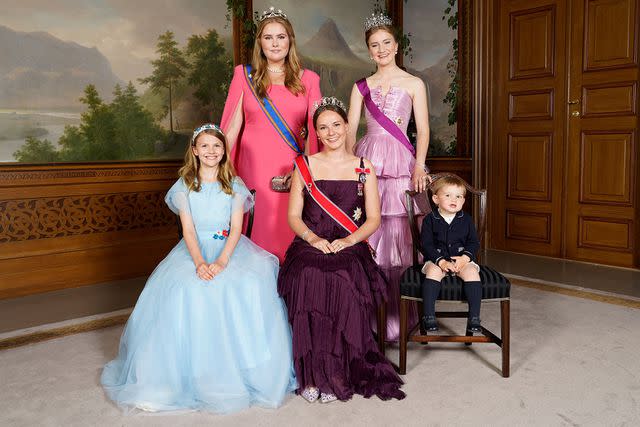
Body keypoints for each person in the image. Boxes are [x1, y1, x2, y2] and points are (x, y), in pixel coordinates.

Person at [101, 124, 296, 413]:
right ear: (194, 150)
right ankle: (177, 374)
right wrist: (201, 263)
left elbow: (235, 230)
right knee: (185, 287)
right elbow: (189, 232)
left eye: (217, 146)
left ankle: (247, 367)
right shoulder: (184, 187)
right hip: (194, 251)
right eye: (204, 146)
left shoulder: (235, 185)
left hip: (230, 250)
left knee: (250, 283)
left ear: (224, 151)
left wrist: (221, 261)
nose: (211, 151)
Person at [278, 97, 405, 403]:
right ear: (316, 133)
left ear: (348, 127)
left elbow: (373, 218)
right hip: (310, 244)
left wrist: (348, 241)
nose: (331, 132)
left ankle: (337, 373)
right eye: (323, 127)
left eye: (336, 124)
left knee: (342, 277)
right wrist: (314, 239)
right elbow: (294, 216)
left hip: (350, 245)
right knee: (310, 275)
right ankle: (312, 375)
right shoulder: (304, 165)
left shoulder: (364, 168)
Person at [346, 12, 431, 341]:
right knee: (369, 231)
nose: (380, 49)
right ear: (368, 51)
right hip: (367, 160)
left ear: (396, 46)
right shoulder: (361, 87)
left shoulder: (414, 84)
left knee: (400, 235)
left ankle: (400, 314)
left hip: (400, 162)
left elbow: (422, 129)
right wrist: (348, 169)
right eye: (373, 45)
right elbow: (350, 131)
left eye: (386, 43)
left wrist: (420, 165)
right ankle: (367, 315)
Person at [221, 6, 322, 262]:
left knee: (288, 234)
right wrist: (220, 173)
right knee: (256, 234)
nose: (275, 43)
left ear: (290, 40)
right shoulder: (244, 76)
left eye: (281, 37)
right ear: (260, 43)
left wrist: (303, 172)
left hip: (291, 172)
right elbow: (231, 128)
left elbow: (314, 131)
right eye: (268, 37)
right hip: (251, 170)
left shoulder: (309, 79)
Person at [420, 175, 482, 333]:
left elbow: (473, 243)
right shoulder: (430, 219)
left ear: (463, 200)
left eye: (459, 196)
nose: (454, 199)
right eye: (448, 195)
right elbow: (426, 245)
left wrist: (465, 258)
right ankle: (428, 316)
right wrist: (441, 262)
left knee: (472, 272)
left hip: (461, 259)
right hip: (437, 260)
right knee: (433, 272)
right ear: (435, 199)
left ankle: (474, 317)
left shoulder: (466, 219)